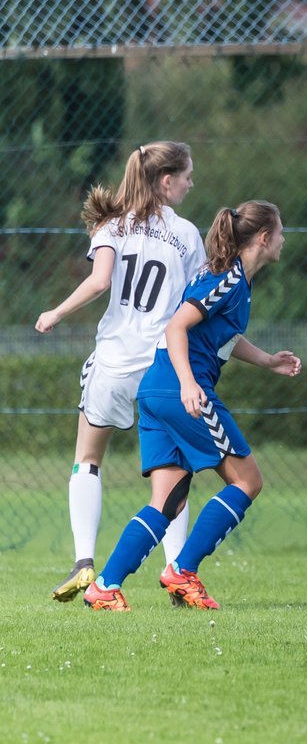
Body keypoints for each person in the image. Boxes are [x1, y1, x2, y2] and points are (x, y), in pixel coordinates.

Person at [83, 201, 301, 611]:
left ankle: (105, 586)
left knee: (169, 500)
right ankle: (182, 572)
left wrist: (269, 360)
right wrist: (188, 383)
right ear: (264, 238)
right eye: (281, 232)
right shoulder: (226, 279)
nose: (284, 240)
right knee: (247, 482)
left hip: (156, 391)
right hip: (181, 392)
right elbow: (177, 326)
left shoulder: (234, 280)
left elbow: (222, 337)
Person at [35, 141, 204, 603]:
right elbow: (195, 306)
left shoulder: (113, 223)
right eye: (187, 175)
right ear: (166, 181)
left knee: (87, 459)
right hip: (160, 364)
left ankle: (84, 563)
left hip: (113, 359)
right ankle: (176, 573)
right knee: (173, 471)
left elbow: (100, 280)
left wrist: (56, 312)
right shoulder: (187, 234)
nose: (192, 182)